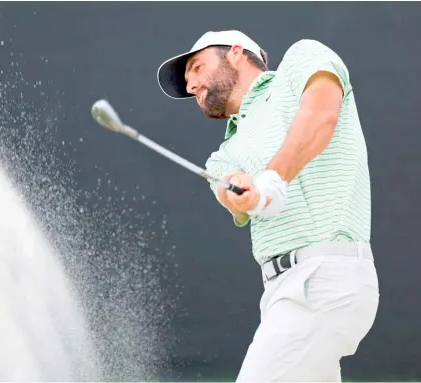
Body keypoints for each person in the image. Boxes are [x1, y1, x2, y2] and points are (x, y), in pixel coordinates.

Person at [157, 30, 379, 381]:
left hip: (323, 278)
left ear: (236, 52)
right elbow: (232, 196)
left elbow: (323, 114)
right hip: (280, 291)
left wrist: (273, 179)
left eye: (197, 68)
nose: (192, 85)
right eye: (187, 83)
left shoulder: (302, 60)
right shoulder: (222, 157)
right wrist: (246, 194)